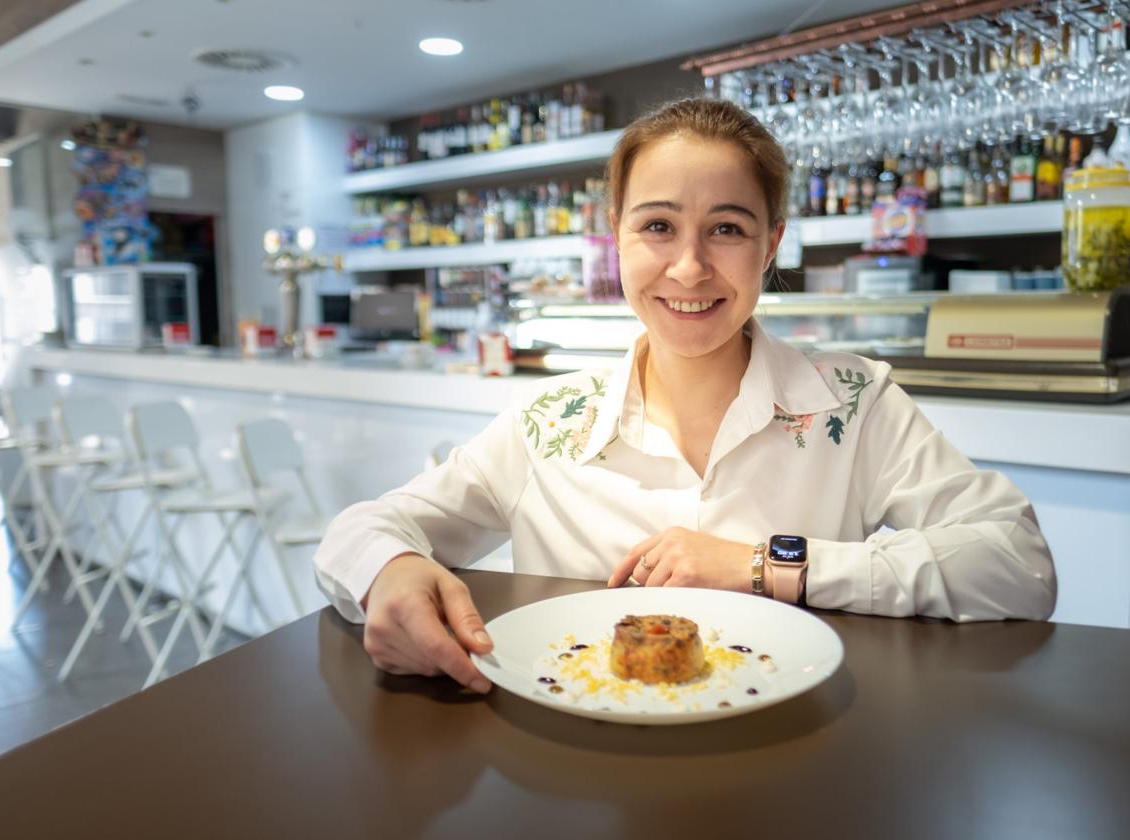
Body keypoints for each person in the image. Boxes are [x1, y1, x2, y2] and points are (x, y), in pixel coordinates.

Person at [313, 97, 1056, 694]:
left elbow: (1016, 562)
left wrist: (766, 567)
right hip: (580, 770)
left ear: (771, 245)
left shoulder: (852, 400)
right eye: (658, 226)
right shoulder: (548, 423)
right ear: (616, 238)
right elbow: (363, 530)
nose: (691, 267)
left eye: (726, 229)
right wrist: (391, 570)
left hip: (798, 762)